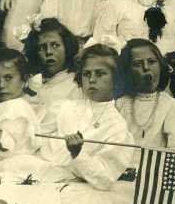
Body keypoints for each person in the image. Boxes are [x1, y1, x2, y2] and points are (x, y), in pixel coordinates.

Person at [38, 44, 135, 189]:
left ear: (116, 79)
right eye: (86, 74)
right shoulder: (64, 108)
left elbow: (104, 178)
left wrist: (78, 153)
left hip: (79, 189)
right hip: (43, 175)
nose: (92, 79)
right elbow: (37, 140)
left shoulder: (117, 128)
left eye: (100, 73)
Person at [0, 49, 46, 180]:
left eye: (8, 78)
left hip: (9, 170)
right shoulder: (5, 107)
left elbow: (7, 143)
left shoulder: (18, 107)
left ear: (24, 79)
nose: (1, 85)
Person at [115, 38, 175, 149]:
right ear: (127, 71)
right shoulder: (120, 103)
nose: (146, 68)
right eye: (137, 64)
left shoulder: (170, 105)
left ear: (160, 65)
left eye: (152, 62)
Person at [20, 16, 83, 137]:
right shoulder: (32, 84)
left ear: (67, 48)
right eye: (42, 47)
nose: (48, 52)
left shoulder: (76, 84)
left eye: (55, 45)